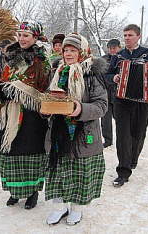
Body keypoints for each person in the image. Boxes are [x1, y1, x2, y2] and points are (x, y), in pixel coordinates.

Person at [0, 20, 51, 209]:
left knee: (29, 154)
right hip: (9, 114)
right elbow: (7, 80)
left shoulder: (41, 59)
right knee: (10, 152)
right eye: (19, 35)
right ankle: (15, 191)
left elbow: (30, 87)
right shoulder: (11, 57)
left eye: (26, 35)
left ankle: (32, 193)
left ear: (35, 37)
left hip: (31, 117)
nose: (21, 39)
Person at [42, 33, 108, 226]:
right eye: (65, 50)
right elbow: (49, 96)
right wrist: (45, 109)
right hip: (57, 132)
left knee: (80, 173)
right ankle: (59, 207)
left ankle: (77, 209)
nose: (68, 54)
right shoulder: (57, 72)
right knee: (58, 170)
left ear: (82, 52)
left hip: (82, 132)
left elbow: (102, 106)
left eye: (73, 50)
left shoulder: (91, 75)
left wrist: (80, 109)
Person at [105, 24, 148, 187]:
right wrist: (114, 78)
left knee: (138, 134)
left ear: (138, 37)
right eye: (125, 35)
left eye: (130, 35)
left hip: (142, 101)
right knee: (123, 135)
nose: (127, 38)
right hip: (121, 101)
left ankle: (132, 158)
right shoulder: (118, 56)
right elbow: (107, 73)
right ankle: (123, 171)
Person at [101, 38, 121, 148]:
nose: (112, 50)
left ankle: (121, 139)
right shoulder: (103, 61)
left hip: (119, 96)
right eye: (110, 48)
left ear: (119, 48)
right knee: (105, 121)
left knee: (121, 121)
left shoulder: (123, 59)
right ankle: (108, 140)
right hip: (106, 95)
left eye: (114, 48)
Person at [0, 39, 12, 137]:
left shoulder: (13, 58)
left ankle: (6, 125)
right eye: (2, 48)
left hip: (8, 84)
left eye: (5, 47)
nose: (3, 49)